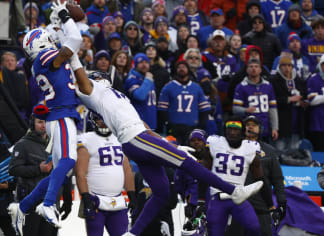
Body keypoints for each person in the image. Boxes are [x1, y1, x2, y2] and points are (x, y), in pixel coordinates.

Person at [69, 49, 264, 236]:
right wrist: (73, 57)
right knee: (188, 162)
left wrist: (171, 145)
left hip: (139, 137)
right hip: (135, 139)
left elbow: (143, 125)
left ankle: (133, 233)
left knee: (162, 192)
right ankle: (233, 190)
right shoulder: (94, 95)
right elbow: (83, 81)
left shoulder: (117, 97)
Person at [8, 0, 82, 229]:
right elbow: (75, 41)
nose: (52, 41)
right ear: (41, 43)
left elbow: (65, 42)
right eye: (48, 39)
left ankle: (22, 206)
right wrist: (64, 16)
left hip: (59, 114)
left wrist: (57, 23)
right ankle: (48, 203)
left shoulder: (40, 60)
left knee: (58, 173)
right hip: (60, 114)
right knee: (69, 161)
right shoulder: (45, 58)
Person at [205, 116, 273, 236]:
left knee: (254, 228)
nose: (232, 132)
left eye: (236, 129)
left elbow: (260, 179)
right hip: (218, 198)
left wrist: (271, 205)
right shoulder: (215, 143)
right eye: (229, 129)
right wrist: (200, 200)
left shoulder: (250, 148)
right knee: (215, 233)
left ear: (242, 132)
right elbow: (203, 174)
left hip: (239, 197)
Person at [75, 111, 136, 236]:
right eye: (99, 119)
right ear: (93, 121)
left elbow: (127, 170)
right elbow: (80, 172)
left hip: (118, 200)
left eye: (105, 119)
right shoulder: (86, 139)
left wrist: (132, 195)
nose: (103, 122)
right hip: (95, 200)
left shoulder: (119, 138)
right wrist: (86, 198)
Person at [225, 115, 286, 236]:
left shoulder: (269, 151)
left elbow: (278, 179)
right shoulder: (230, 148)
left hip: (262, 206)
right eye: (247, 125)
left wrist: (282, 202)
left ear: (260, 129)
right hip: (237, 205)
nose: (250, 127)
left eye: (254, 125)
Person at [8, 105, 59, 236]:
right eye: (40, 122)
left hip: (51, 203)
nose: (44, 125)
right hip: (30, 203)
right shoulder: (22, 144)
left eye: (46, 121)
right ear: (32, 123)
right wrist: (38, 169)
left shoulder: (56, 144)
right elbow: (14, 169)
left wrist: (67, 200)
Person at [158, 59, 210, 144]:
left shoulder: (196, 87)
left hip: (192, 127)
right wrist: (168, 124)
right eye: (179, 67)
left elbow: (204, 109)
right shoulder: (168, 87)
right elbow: (162, 109)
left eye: (184, 67)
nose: (181, 69)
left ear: (188, 70)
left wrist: (201, 125)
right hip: (174, 127)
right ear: (175, 70)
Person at [233, 58, 279, 141]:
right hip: (249, 130)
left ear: (260, 70)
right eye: (251, 66)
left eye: (256, 66)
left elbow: (272, 109)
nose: (254, 69)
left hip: (265, 128)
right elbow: (235, 109)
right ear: (247, 70)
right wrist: (246, 109)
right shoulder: (241, 87)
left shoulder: (268, 86)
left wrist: (275, 128)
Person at [271, 54, 307, 151]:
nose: (287, 68)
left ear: (292, 66)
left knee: (294, 153)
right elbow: (271, 101)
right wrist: (288, 99)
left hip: (296, 124)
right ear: (279, 66)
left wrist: (303, 102)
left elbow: (304, 95)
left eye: (289, 65)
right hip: (281, 124)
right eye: (284, 65)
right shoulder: (274, 80)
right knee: (280, 152)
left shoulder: (298, 80)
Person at [124, 53, 157, 130]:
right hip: (138, 125)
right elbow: (140, 96)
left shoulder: (148, 78)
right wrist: (148, 80)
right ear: (135, 64)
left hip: (151, 123)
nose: (144, 65)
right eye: (141, 62)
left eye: (146, 62)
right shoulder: (132, 79)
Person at [306, 54, 324, 151]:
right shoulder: (313, 79)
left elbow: (316, 99)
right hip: (318, 124)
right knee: (319, 152)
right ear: (320, 65)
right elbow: (311, 100)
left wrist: (320, 97)